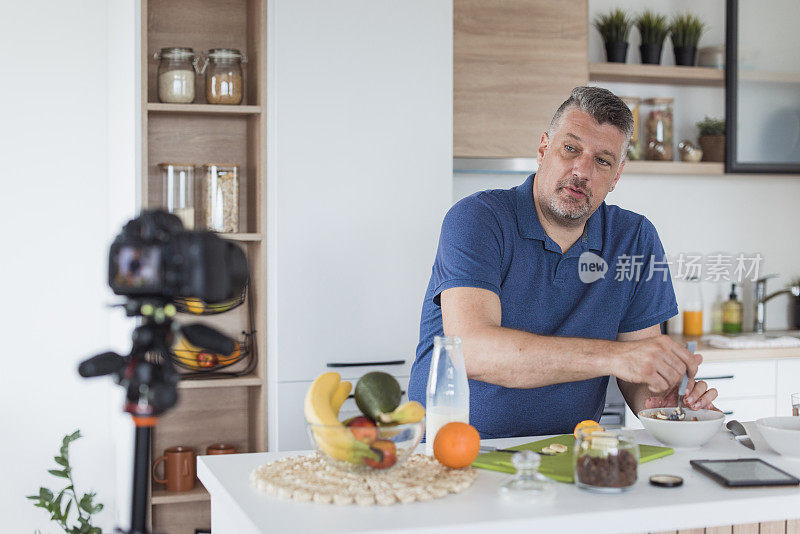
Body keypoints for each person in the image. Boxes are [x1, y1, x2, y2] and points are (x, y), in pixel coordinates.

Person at [408, 86, 718, 439]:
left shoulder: (635, 238)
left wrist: (662, 401)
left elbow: (639, 369)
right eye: (571, 149)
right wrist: (616, 357)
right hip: (451, 450)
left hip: (570, 450)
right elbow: (472, 351)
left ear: (616, 177)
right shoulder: (478, 218)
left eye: (602, 161)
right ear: (543, 149)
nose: (581, 170)